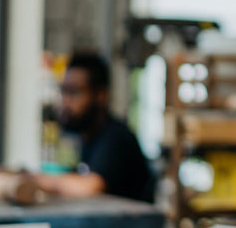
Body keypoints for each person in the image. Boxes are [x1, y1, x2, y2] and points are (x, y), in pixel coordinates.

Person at [34, 53, 155, 203]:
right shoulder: (90, 137)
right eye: (63, 91)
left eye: (73, 92)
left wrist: (32, 181)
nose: (64, 102)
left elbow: (91, 185)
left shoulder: (116, 137)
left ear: (100, 95)